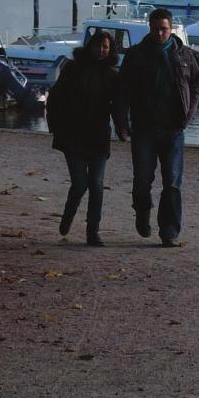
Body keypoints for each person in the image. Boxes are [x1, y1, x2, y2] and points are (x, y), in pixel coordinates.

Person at [118, 7, 199, 248]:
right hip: (144, 128)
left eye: (164, 29)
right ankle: (142, 212)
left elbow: (196, 85)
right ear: (150, 28)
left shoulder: (185, 55)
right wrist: (122, 124)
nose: (160, 33)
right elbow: (123, 91)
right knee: (143, 180)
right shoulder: (136, 55)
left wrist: (188, 115)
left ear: (171, 28)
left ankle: (169, 232)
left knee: (172, 182)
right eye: (156, 29)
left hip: (174, 129)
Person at [45, 30, 127, 247]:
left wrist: (122, 128)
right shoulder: (73, 68)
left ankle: (93, 231)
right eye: (98, 46)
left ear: (110, 50)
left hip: (98, 136)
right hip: (72, 134)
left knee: (97, 185)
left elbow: (118, 106)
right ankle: (69, 215)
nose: (101, 50)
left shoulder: (112, 75)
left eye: (106, 47)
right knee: (80, 184)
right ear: (90, 46)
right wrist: (54, 125)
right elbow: (56, 97)